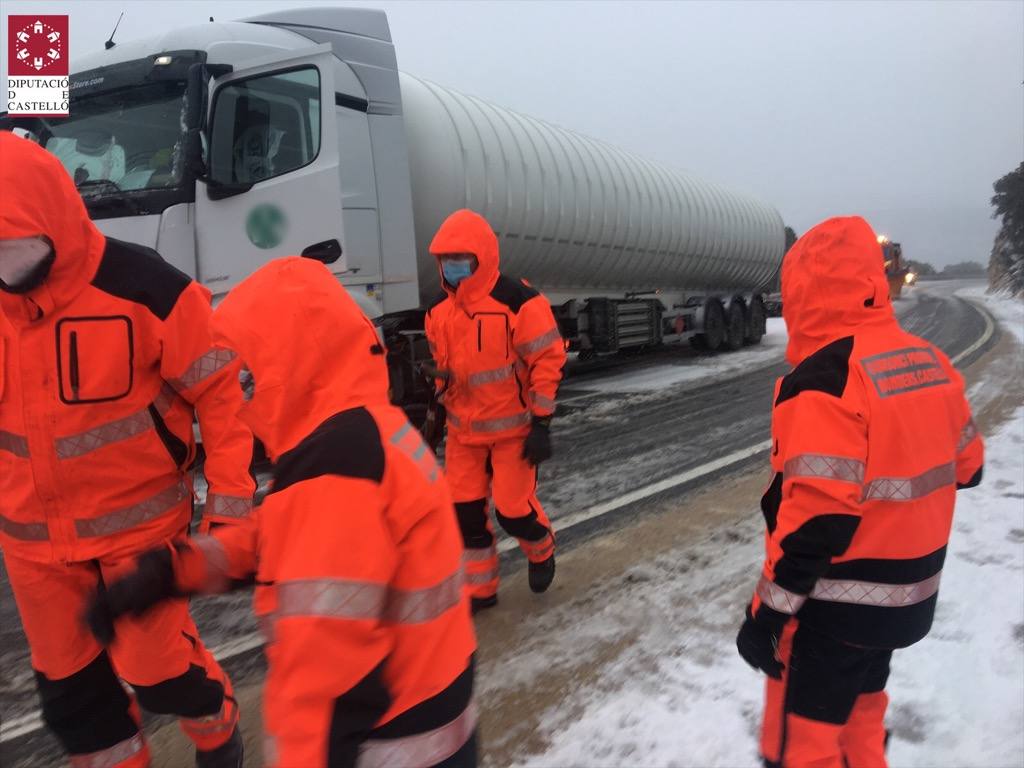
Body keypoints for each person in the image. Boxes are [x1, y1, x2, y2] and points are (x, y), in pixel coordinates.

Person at [86, 256, 478, 768]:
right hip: (429, 712)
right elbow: (278, 538)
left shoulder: (334, 467)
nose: (243, 388)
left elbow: (322, 673)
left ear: (291, 358)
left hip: (383, 744)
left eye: (250, 368)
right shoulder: (367, 432)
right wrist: (172, 570)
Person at [0, 132, 254, 767]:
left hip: (139, 539)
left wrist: (229, 514)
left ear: (52, 220)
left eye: (13, 245)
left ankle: (215, 719)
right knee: (74, 704)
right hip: (34, 549)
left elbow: (222, 393)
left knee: (159, 676)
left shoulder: (145, 288)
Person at [735, 215, 985, 768]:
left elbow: (817, 523)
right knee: (861, 720)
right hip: (907, 600)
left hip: (831, 608)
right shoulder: (930, 363)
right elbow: (970, 468)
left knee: (800, 748)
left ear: (801, 289)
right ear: (874, 279)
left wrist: (767, 617)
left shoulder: (823, 380)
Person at [424, 209, 567, 613]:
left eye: (461, 260)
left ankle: (541, 550)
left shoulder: (520, 302)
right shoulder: (437, 311)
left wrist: (541, 424)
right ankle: (480, 590)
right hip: (463, 434)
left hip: (513, 432)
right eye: (445, 261)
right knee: (465, 515)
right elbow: (445, 368)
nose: (452, 268)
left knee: (512, 511)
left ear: (482, 257)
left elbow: (547, 360)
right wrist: (436, 409)